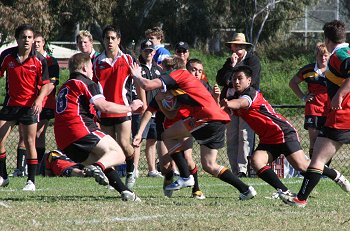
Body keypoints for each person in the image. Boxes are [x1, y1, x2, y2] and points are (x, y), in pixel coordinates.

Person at [130, 57, 257, 200]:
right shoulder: (181, 89)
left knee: (168, 136)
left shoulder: (180, 75)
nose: (163, 76)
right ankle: (246, 189)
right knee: (209, 165)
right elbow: (170, 113)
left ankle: (185, 176)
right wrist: (160, 101)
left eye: (165, 73)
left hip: (205, 118)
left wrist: (136, 75)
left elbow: (147, 85)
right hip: (217, 121)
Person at [220, 65, 350, 199]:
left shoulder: (251, 94)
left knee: (303, 166)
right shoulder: (235, 97)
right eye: (234, 79)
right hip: (268, 138)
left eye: (240, 78)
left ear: (249, 80)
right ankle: (284, 191)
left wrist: (228, 104)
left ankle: (336, 176)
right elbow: (226, 110)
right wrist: (217, 98)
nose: (236, 82)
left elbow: (241, 103)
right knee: (256, 161)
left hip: (282, 132)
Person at [280, 20, 350, 207]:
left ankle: (300, 199)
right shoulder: (345, 51)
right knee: (317, 155)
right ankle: (301, 198)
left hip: (342, 116)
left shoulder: (339, 55)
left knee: (317, 158)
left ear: (326, 39)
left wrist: (340, 95)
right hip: (340, 115)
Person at [54, 52, 143, 201]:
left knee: (105, 159)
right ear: (84, 68)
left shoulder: (65, 86)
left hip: (63, 140)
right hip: (78, 128)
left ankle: (125, 192)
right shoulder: (85, 82)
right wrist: (131, 108)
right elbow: (104, 106)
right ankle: (97, 167)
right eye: (90, 68)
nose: (92, 72)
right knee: (119, 154)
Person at [0, 24, 54, 191]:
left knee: (30, 142)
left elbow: (46, 84)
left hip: (29, 107)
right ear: (17, 39)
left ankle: (31, 181)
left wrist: (39, 100)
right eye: (23, 37)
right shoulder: (7, 56)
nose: (27, 40)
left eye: (30, 37)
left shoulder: (40, 60)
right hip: (10, 105)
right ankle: (3, 176)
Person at [93, 25, 140, 189]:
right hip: (105, 110)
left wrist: (140, 101)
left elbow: (138, 80)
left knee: (124, 143)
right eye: (107, 38)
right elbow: (92, 85)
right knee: (108, 148)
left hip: (123, 108)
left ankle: (130, 170)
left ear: (119, 40)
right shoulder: (97, 61)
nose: (110, 41)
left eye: (113, 38)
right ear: (103, 40)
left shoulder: (127, 59)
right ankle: (114, 181)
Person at [14, 32, 60, 177]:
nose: (36, 44)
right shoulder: (27, 59)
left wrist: (39, 98)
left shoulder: (50, 61)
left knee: (39, 135)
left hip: (46, 104)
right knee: (24, 135)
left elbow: (51, 84)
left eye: (39, 42)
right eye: (35, 42)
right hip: (26, 103)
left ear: (43, 43)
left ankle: (38, 167)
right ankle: (20, 168)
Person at [216, 32, 261, 177]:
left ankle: (243, 169)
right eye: (235, 46)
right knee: (232, 136)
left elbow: (250, 82)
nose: (237, 49)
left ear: (245, 47)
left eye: (240, 46)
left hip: (245, 103)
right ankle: (235, 170)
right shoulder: (230, 62)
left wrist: (231, 80)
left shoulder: (252, 60)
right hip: (230, 104)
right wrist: (232, 66)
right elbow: (221, 79)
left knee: (245, 135)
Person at [289, 42, 331, 166]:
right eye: (320, 55)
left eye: (325, 55)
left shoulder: (335, 71)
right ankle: (314, 168)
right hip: (313, 109)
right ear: (316, 55)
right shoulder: (308, 70)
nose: (323, 58)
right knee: (314, 140)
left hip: (330, 110)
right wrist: (303, 97)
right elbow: (292, 83)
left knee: (327, 141)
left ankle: (326, 169)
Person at [132, 40, 163, 177]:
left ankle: (152, 170)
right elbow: (139, 87)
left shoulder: (159, 69)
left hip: (156, 110)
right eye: (146, 50)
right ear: (141, 52)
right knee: (138, 139)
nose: (148, 53)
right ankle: (134, 168)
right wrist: (144, 105)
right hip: (142, 110)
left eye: (151, 51)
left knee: (152, 139)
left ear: (154, 52)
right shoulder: (138, 68)